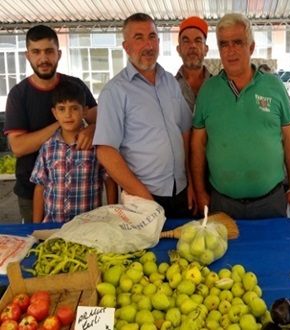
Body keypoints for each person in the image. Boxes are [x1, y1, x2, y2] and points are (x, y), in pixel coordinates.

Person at [191, 13, 290, 219]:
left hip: (271, 202)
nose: (230, 51)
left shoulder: (274, 86)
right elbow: (197, 145)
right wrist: (200, 192)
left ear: (251, 47)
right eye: (224, 44)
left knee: (273, 251)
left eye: (237, 43)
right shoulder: (208, 91)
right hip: (222, 203)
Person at [94, 13, 195, 218]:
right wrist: (145, 198)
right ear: (126, 46)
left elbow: (184, 133)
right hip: (144, 198)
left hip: (181, 192)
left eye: (152, 37)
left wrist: (191, 183)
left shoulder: (170, 82)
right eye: (139, 38)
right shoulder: (115, 91)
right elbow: (105, 151)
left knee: (184, 248)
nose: (148, 45)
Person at [4, 25, 98, 223]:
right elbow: (18, 147)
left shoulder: (76, 86)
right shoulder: (18, 95)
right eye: (36, 52)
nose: (43, 59)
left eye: (49, 51)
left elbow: (100, 119)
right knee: (38, 246)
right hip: (32, 192)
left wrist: (92, 128)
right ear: (27, 55)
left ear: (59, 54)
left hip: (80, 193)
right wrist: (60, 125)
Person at [30, 81, 118, 223]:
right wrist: (36, 226)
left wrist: (111, 218)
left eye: (74, 108)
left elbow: (110, 181)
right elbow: (40, 187)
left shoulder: (96, 146)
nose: (68, 115)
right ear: (55, 113)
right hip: (53, 226)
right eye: (62, 109)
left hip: (89, 225)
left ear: (85, 111)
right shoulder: (47, 148)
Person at [175, 16, 212, 112]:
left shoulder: (219, 86)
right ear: (179, 50)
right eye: (186, 41)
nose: (192, 46)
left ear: (206, 49)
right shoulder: (170, 86)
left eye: (198, 41)